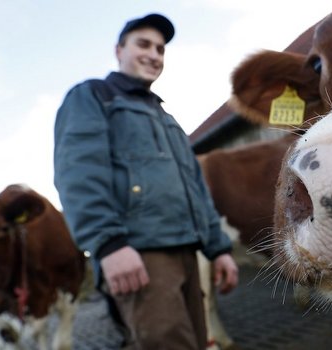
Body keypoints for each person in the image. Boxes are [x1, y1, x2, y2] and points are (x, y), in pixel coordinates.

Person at [54, 13, 239, 349]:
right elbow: (78, 173)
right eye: (143, 44)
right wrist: (109, 244)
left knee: (198, 342)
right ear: (118, 49)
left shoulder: (167, 118)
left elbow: (196, 189)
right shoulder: (92, 96)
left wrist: (219, 248)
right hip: (139, 254)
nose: (154, 54)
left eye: (160, 49)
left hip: (188, 251)